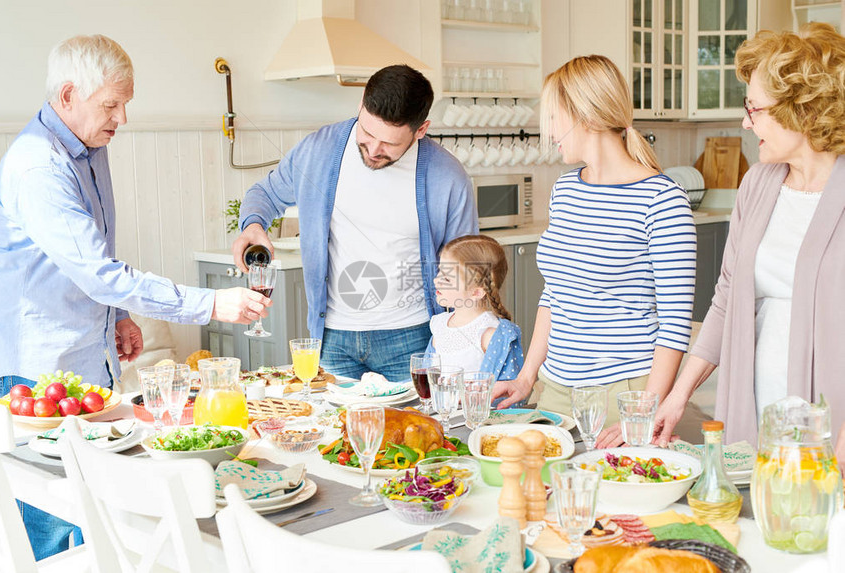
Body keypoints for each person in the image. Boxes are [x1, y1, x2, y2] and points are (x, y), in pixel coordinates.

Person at [0, 34, 270, 560]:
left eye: (126, 104)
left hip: (80, 360)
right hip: (36, 370)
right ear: (68, 95)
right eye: (111, 104)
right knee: (54, 529)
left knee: (96, 519)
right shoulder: (39, 167)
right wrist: (209, 305)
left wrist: (117, 316)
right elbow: (98, 271)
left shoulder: (89, 147)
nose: (122, 118)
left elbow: (91, 249)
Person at [652, 24, 845, 456]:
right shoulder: (757, 184)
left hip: (831, 420)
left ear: (804, 110)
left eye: (755, 108)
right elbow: (725, 301)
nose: (745, 121)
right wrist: (677, 396)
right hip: (757, 403)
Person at [492, 55, 697, 446]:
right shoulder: (565, 191)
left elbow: (674, 324)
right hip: (555, 388)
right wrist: (526, 377)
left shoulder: (662, 199)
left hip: (623, 395)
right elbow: (554, 293)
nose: (548, 130)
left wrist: (643, 411)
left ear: (584, 115)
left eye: (553, 117)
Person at [232, 65, 477, 383]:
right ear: (361, 105)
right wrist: (253, 226)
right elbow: (263, 193)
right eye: (368, 133)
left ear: (421, 130)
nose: (374, 150)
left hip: (413, 339)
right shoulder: (319, 150)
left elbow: (469, 265)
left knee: (411, 431)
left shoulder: (447, 176)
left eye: (389, 143)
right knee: (336, 431)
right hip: (334, 339)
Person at [426, 235, 524, 381]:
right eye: (439, 271)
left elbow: (504, 393)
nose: (436, 280)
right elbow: (427, 379)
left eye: (446, 279)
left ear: (477, 292)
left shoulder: (491, 334)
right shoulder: (439, 325)